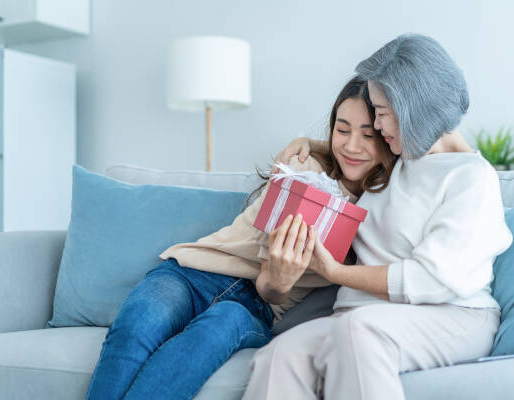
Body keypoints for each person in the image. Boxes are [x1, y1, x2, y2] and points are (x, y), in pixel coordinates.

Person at [85, 76, 396, 400]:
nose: (351, 145)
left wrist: (279, 280)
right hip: (193, 273)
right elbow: (327, 161)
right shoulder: (306, 166)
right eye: (342, 130)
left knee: (221, 323)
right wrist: (313, 144)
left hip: (253, 307)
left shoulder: (382, 211)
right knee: (139, 324)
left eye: (368, 135)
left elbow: (269, 291)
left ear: (388, 136)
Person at [242, 33, 513, 400]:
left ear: (412, 110)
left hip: (454, 314)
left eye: (382, 115)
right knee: (279, 356)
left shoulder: (471, 178)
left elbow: (431, 279)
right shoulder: (399, 161)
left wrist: (334, 272)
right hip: (359, 317)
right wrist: (315, 145)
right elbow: (356, 150)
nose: (379, 127)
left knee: (358, 331)